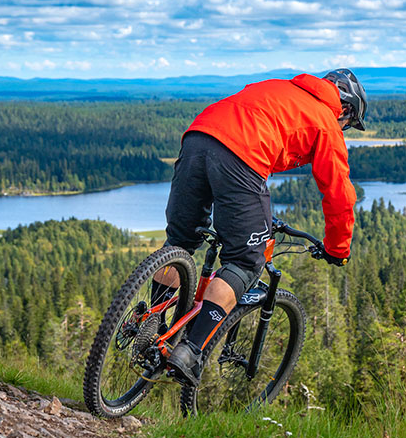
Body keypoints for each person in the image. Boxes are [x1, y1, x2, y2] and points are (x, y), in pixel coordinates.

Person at [157, 68, 367, 386]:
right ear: (346, 108)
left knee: (181, 242)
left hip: (197, 136)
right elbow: (339, 194)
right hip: (241, 155)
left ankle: (149, 325)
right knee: (244, 262)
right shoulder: (327, 121)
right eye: (348, 123)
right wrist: (338, 249)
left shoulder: (280, 87)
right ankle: (189, 352)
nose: (344, 128)